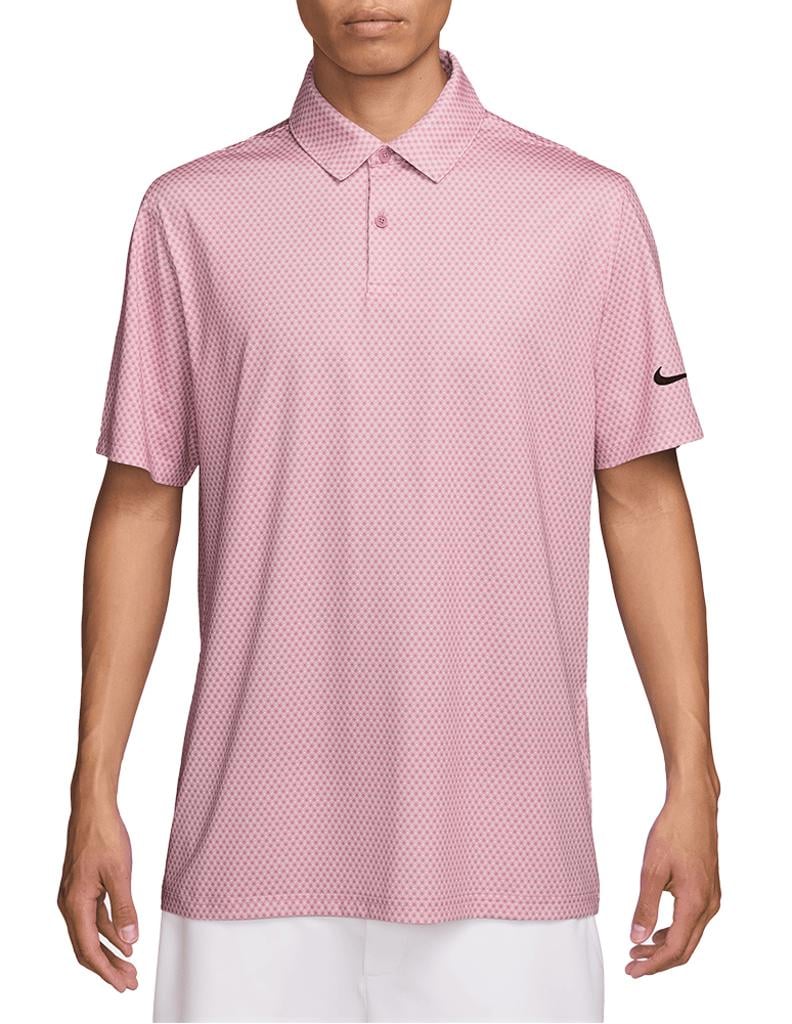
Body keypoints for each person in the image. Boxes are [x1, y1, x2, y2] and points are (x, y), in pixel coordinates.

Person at [58, 1, 721, 1021]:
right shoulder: (190, 215)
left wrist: (693, 783)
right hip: (249, 857)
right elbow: (141, 504)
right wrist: (92, 788)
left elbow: (642, 500)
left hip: (512, 857)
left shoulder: (587, 211)